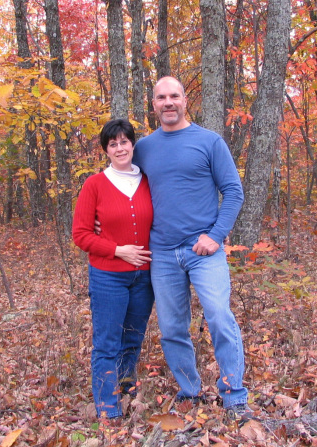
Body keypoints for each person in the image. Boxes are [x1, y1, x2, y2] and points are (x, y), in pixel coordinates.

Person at [133, 76, 253, 422]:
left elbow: (233, 191)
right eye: (161, 98)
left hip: (204, 251)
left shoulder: (209, 142)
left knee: (218, 315)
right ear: (153, 104)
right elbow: (125, 186)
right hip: (163, 254)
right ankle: (190, 391)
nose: (168, 103)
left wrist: (215, 235)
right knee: (171, 327)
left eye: (174, 96)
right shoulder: (143, 148)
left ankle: (234, 394)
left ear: (185, 100)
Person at [72, 119, 154, 419]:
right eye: (113, 143)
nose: (120, 148)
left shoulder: (148, 180)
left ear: (133, 144)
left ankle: (126, 386)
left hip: (145, 276)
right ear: (106, 150)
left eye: (124, 141)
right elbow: (80, 234)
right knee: (107, 342)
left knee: (133, 337)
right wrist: (118, 250)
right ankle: (108, 406)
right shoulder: (94, 185)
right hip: (108, 276)